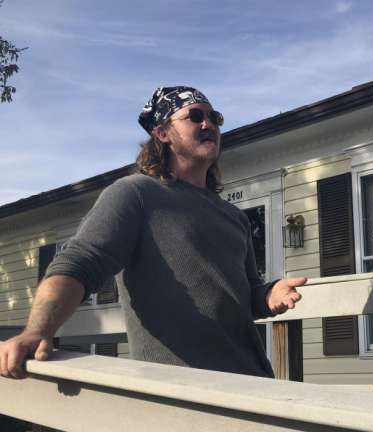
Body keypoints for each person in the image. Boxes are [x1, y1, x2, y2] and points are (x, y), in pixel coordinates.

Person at [0, 86, 304, 379]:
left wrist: (268, 294)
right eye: (195, 116)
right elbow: (80, 262)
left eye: (215, 118)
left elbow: (246, 295)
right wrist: (38, 331)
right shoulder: (136, 194)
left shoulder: (235, 217)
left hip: (253, 381)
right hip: (182, 392)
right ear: (162, 133)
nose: (208, 124)